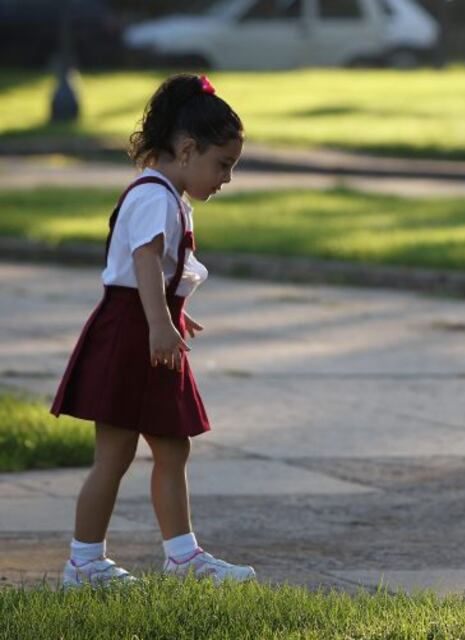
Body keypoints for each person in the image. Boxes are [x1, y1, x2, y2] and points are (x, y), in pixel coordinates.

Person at [51, 74, 255, 587]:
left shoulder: (169, 195)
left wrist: (173, 313)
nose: (227, 178)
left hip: (148, 328)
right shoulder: (153, 196)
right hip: (132, 334)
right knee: (115, 454)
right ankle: (85, 561)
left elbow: (155, 270)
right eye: (223, 164)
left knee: (172, 446)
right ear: (187, 150)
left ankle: (182, 557)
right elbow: (143, 260)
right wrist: (160, 322)